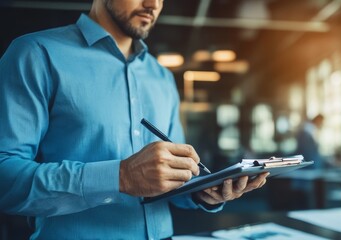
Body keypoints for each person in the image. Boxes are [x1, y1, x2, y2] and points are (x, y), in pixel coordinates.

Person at [0, 0, 269, 239]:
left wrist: (204, 191)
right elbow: (5, 178)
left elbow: (177, 179)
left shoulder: (162, 76)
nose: (153, 5)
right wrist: (120, 177)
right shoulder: (35, 54)